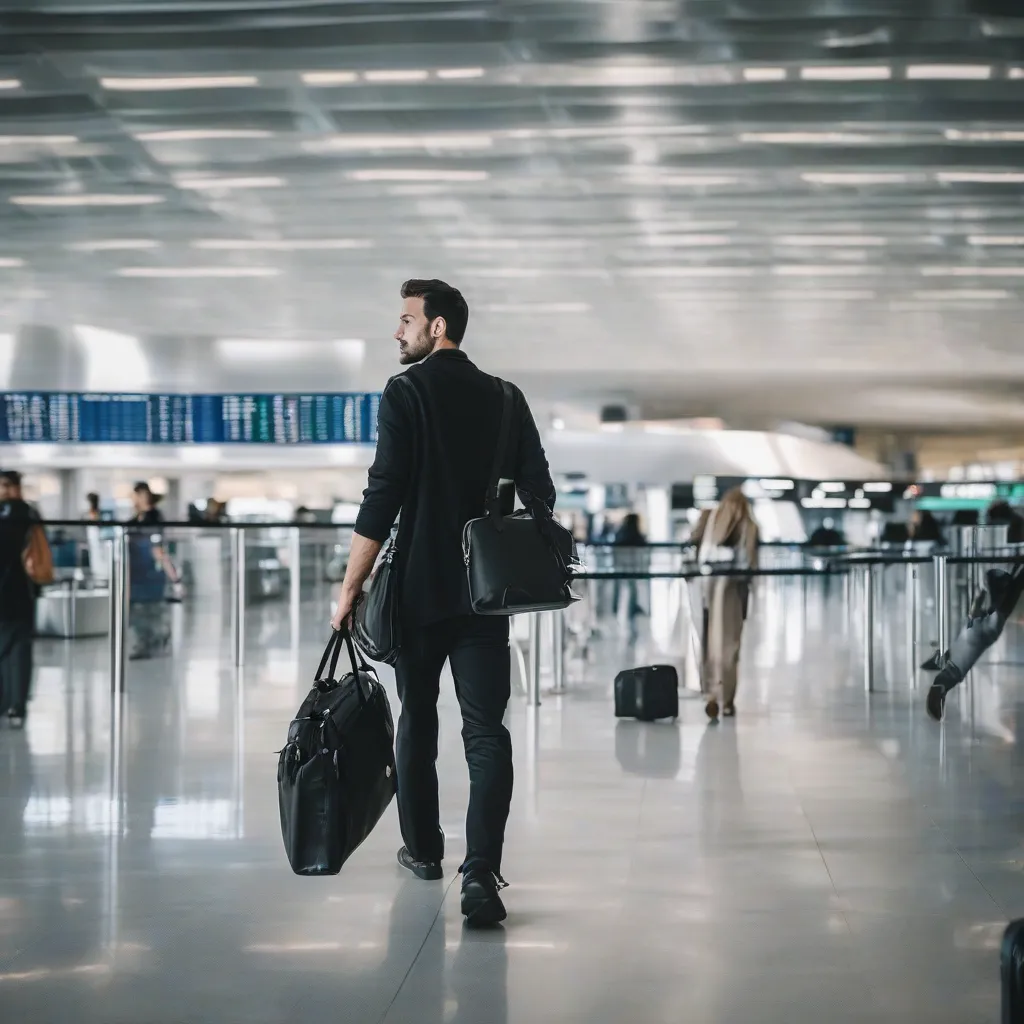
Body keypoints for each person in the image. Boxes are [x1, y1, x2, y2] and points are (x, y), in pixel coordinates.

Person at [330, 278, 555, 927]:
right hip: (486, 595)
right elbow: (540, 492)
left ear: (437, 327)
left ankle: (424, 851)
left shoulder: (406, 392)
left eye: (405, 319)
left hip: (419, 590)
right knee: (487, 732)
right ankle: (481, 873)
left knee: (417, 719)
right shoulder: (507, 400)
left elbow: (384, 492)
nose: (397, 331)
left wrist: (350, 588)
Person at [925, 500, 1024, 719]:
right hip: (995, 602)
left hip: (984, 596)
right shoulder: (1012, 540)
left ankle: (945, 674)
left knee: (977, 633)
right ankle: (943, 679)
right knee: (981, 633)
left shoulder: (987, 538)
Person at [691, 487, 759, 721]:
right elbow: (750, 563)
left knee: (708, 643)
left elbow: (697, 548)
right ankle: (726, 699)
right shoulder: (748, 525)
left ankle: (709, 691)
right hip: (732, 589)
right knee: (729, 645)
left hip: (705, 586)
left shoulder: (713, 520)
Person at [0, 471, 45, 727]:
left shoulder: (16, 513)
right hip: (22, 591)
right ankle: (15, 703)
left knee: (13, 646)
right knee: (18, 648)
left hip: (13, 590)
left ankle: (11, 701)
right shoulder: (29, 513)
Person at [127, 482, 179, 660]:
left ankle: (154, 642)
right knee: (136, 609)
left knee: (150, 609)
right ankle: (148, 641)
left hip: (150, 570)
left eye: (135, 495)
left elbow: (158, 547)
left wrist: (173, 575)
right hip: (135, 569)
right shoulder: (136, 517)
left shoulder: (154, 517)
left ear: (143, 495)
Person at [612, 512, 646, 638]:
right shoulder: (638, 536)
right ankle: (632, 611)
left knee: (619, 590)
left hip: (620, 567)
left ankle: (615, 610)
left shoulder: (621, 534)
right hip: (633, 568)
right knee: (632, 590)